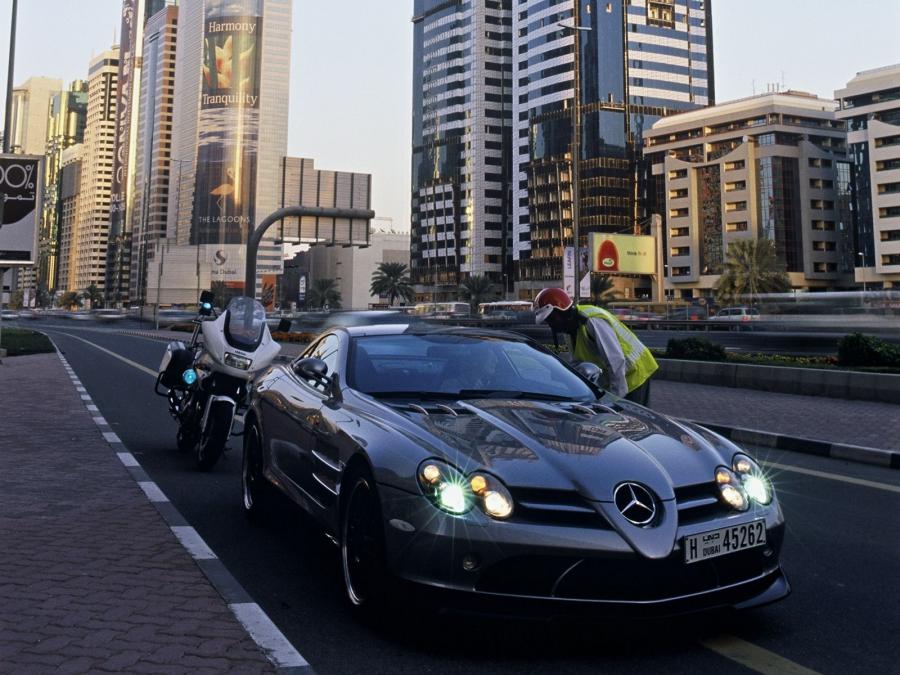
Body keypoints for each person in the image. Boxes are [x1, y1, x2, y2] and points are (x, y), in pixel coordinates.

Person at [533, 287, 658, 405]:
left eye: (551, 319)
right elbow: (578, 363)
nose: (551, 325)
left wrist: (614, 399)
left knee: (632, 422)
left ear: (562, 310)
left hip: (635, 373)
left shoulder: (592, 321)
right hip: (620, 376)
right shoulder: (571, 329)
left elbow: (615, 360)